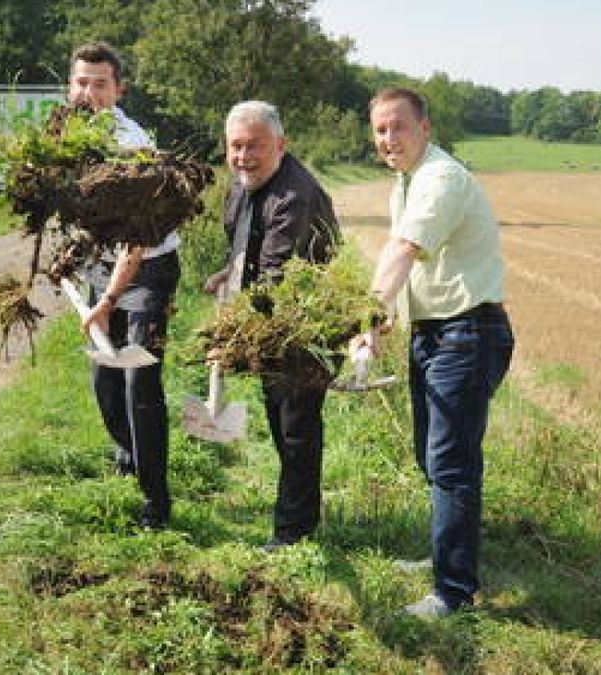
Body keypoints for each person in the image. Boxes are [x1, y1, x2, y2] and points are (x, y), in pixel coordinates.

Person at [350, 88, 514, 617]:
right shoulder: (407, 182)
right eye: (380, 130)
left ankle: (453, 593)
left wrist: (368, 314)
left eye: (399, 127)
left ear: (426, 128)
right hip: (436, 333)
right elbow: (408, 264)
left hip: (469, 334)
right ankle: (445, 554)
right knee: (431, 454)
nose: (389, 139)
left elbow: (403, 249)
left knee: (451, 464)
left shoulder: (441, 178)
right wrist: (386, 317)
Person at [203, 100, 340, 552]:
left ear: (280, 145)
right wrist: (230, 271)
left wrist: (230, 337)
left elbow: (276, 275)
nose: (243, 156)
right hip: (272, 323)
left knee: (297, 426)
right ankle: (302, 516)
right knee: (283, 421)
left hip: (305, 328)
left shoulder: (293, 195)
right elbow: (248, 246)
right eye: (236, 146)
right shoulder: (245, 185)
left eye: (255, 146)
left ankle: (293, 533)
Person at [70, 42, 179, 530]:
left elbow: (136, 242)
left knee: (139, 383)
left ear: (119, 89)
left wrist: (108, 301)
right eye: (81, 82)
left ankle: (156, 501)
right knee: (105, 383)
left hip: (147, 270)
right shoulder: (70, 136)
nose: (88, 93)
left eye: (99, 84)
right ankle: (129, 455)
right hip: (104, 265)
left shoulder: (129, 145)